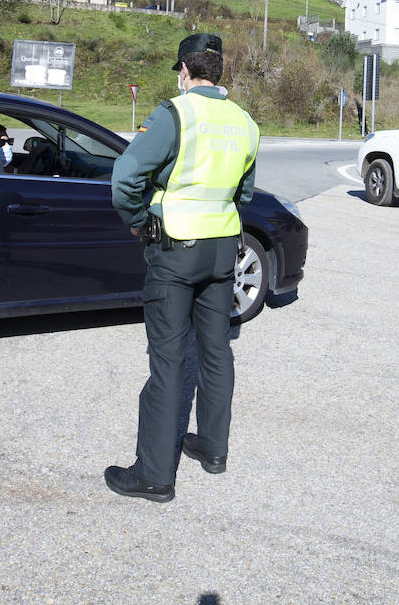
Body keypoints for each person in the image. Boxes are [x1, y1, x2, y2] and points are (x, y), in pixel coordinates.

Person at [104, 32, 260, 503]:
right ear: (220, 74)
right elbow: (245, 193)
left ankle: (154, 476)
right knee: (215, 350)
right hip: (222, 249)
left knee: (168, 360)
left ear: (185, 72)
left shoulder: (175, 113)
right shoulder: (245, 122)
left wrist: (138, 221)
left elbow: (124, 178)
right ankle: (213, 449)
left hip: (176, 249)